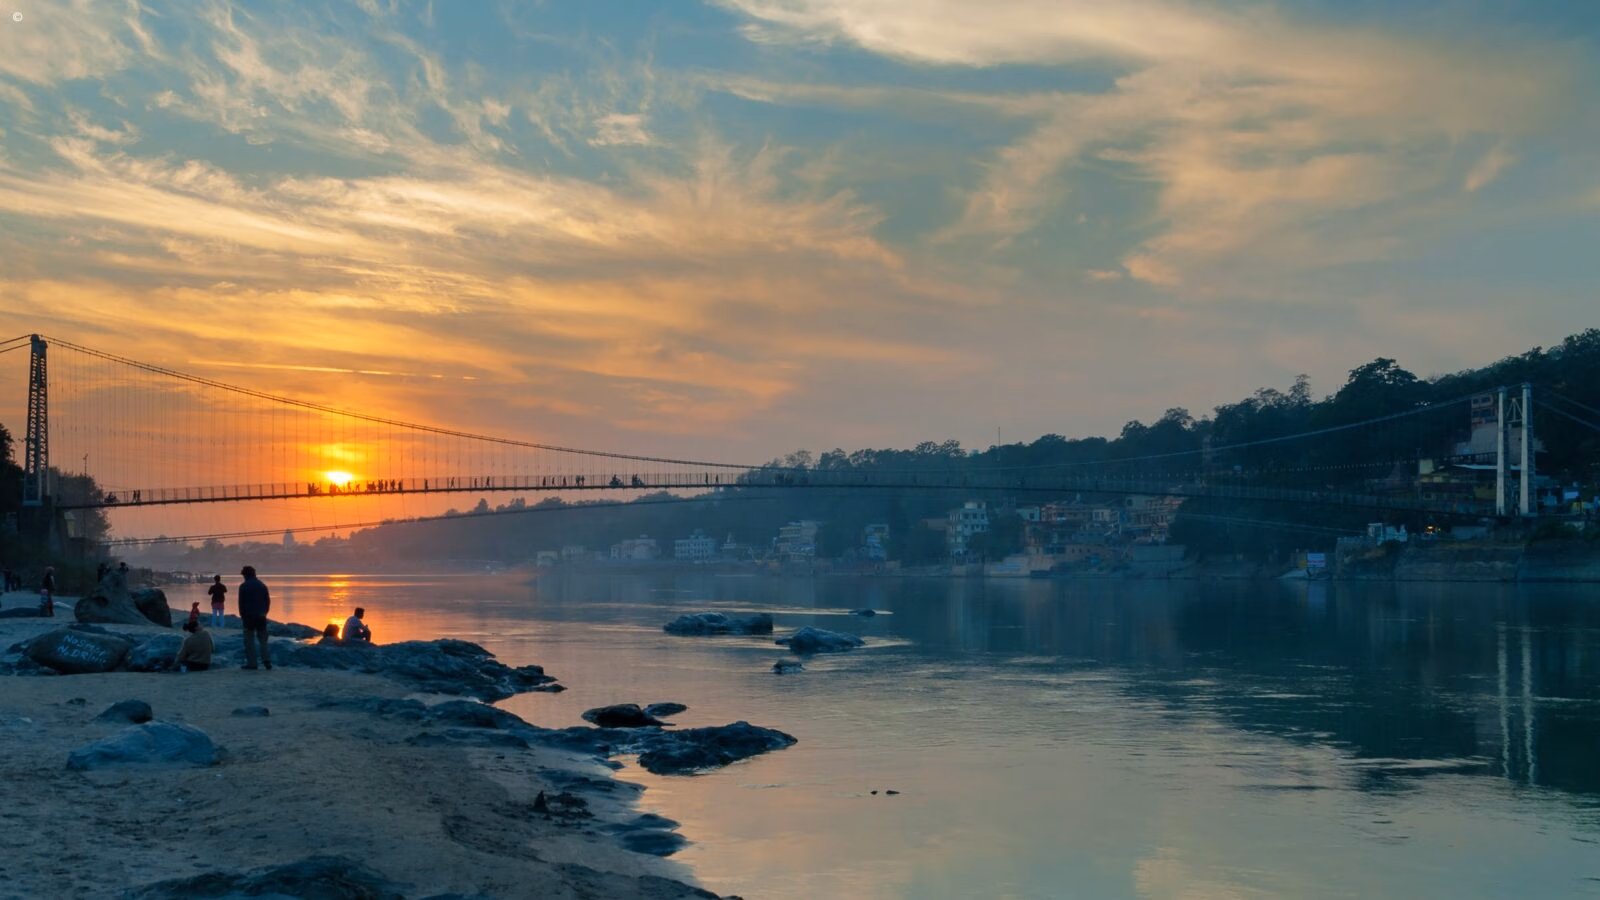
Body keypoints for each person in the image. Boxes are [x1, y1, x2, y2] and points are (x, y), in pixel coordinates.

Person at [237, 565, 271, 670]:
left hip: (248, 617)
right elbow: (268, 601)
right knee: (263, 640)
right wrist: (265, 612)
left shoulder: (243, 586)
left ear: (245, 575)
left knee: (249, 640)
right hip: (261, 616)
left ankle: (252, 663)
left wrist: (242, 615)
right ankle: (266, 661)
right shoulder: (262, 585)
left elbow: (241, 603)